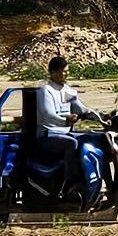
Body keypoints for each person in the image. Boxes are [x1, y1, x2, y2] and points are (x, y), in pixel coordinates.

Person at [34, 55, 101, 195]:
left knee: (92, 139)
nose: (66, 74)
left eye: (67, 71)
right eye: (63, 71)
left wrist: (101, 118)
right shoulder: (45, 91)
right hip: (48, 135)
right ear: (53, 73)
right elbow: (48, 115)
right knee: (72, 144)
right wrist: (66, 121)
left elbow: (81, 108)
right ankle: (69, 183)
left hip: (64, 133)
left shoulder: (67, 91)